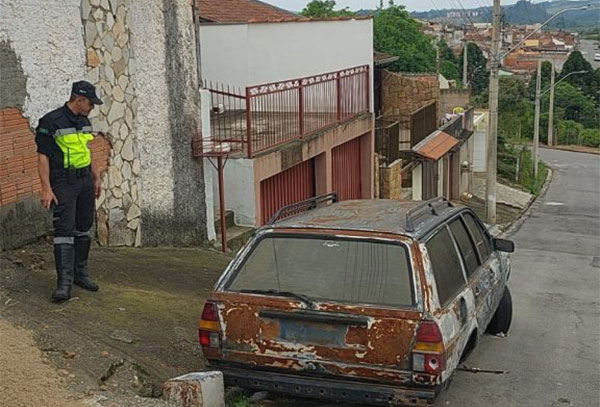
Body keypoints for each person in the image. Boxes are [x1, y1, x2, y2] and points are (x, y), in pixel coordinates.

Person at [35, 81, 103, 303]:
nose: (92, 107)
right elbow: (42, 156)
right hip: (63, 182)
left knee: (83, 227)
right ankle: (64, 283)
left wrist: (96, 178)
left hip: (84, 180)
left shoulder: (84, 122)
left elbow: (88, 150)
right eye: (90, 103)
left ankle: (80, 274)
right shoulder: (51, 121)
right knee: (64, 230)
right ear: (79, 99)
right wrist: (46, 188)